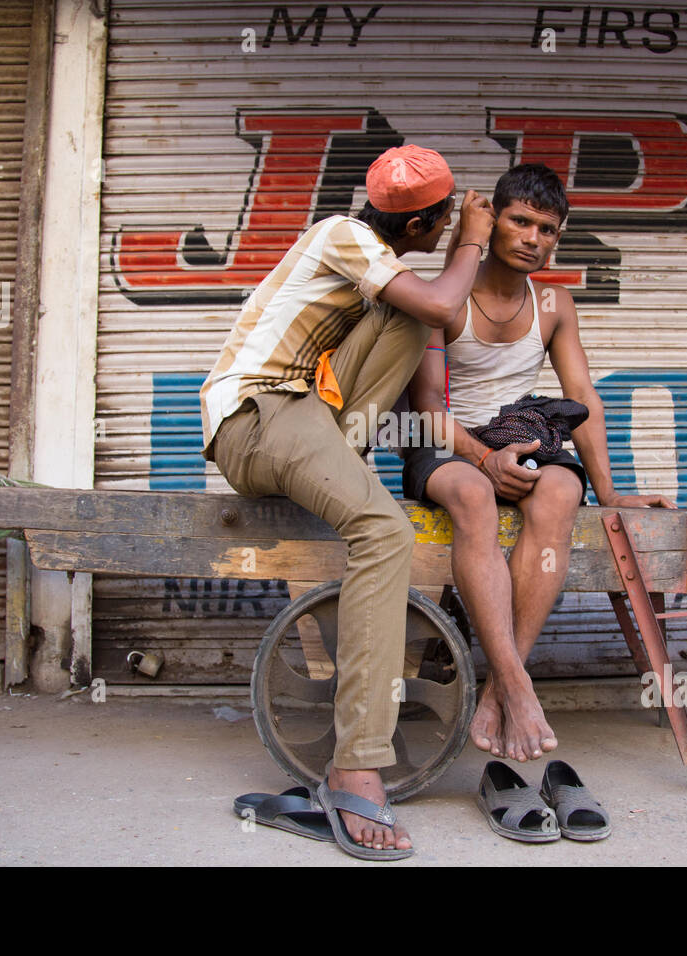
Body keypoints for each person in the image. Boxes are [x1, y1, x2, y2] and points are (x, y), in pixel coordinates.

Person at [200, 145, 495, 859]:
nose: (449, 233)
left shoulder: (377, 255)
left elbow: (430, 315)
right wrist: (476, 242)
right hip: (258, 416)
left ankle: (346, 461)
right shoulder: (342, 233)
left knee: (406, 317)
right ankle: (354, 761)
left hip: (307, 413)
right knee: (385, 534)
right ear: (426, 223)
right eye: (445, 223)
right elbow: (445, 301)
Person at [403, 163, 673, 764]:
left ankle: (502, 688)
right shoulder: (446, 293)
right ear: (492, 220)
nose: (532, 238)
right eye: (519, 221)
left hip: (518, 435)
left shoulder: (553, 302)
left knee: (558, 493)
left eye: (547, 229)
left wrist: (610, 493)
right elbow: (424, 405)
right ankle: (520, 690)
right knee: (473, 496)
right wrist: (482, 457)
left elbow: (585, 398)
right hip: (448, 444)